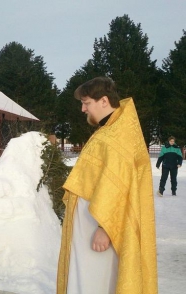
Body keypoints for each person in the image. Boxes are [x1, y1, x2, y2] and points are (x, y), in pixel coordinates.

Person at [56, 77, 157, 293]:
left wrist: (104, 228)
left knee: (96, 281)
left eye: (86, 103)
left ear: (103, 101)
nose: (83, 109)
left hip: (101, 225)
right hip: (91, 222)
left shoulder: (115, 135)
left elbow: (118, 185)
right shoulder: (111, 129)